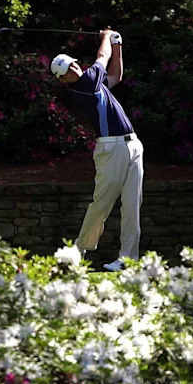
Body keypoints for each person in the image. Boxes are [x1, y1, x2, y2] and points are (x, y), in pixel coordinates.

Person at [50, 28, 144, 271]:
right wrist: (107, 36)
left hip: (132, 145)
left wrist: (118, 43)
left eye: (71, 65)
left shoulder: (92, 83)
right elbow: (103, 57)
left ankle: (127, 259)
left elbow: (116, 75)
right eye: (66, 71)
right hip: (110, 149)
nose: (72, 69)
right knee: (101, 204)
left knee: (132, 205)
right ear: (63, 80)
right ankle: (77, 254)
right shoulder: (83, 87)